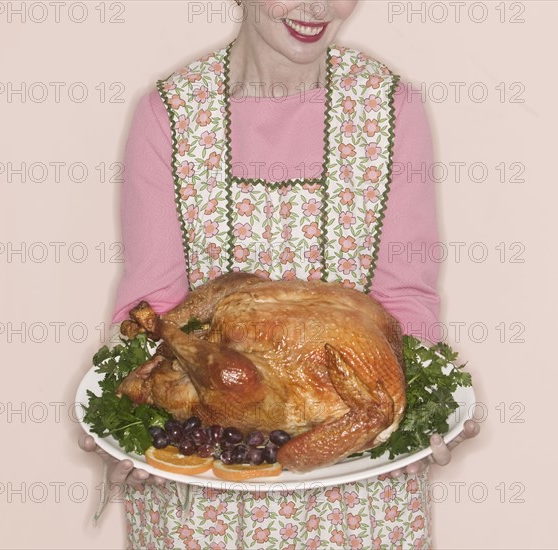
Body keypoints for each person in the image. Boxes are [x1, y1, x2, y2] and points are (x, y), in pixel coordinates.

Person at [79, 0, 479, 547]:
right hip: (205, 495)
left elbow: (406, 298)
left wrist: (423, 412)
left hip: (357, 489)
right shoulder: (173, 113)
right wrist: (123, 427)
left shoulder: (387, 106)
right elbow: (152, 304)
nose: (318, 6)